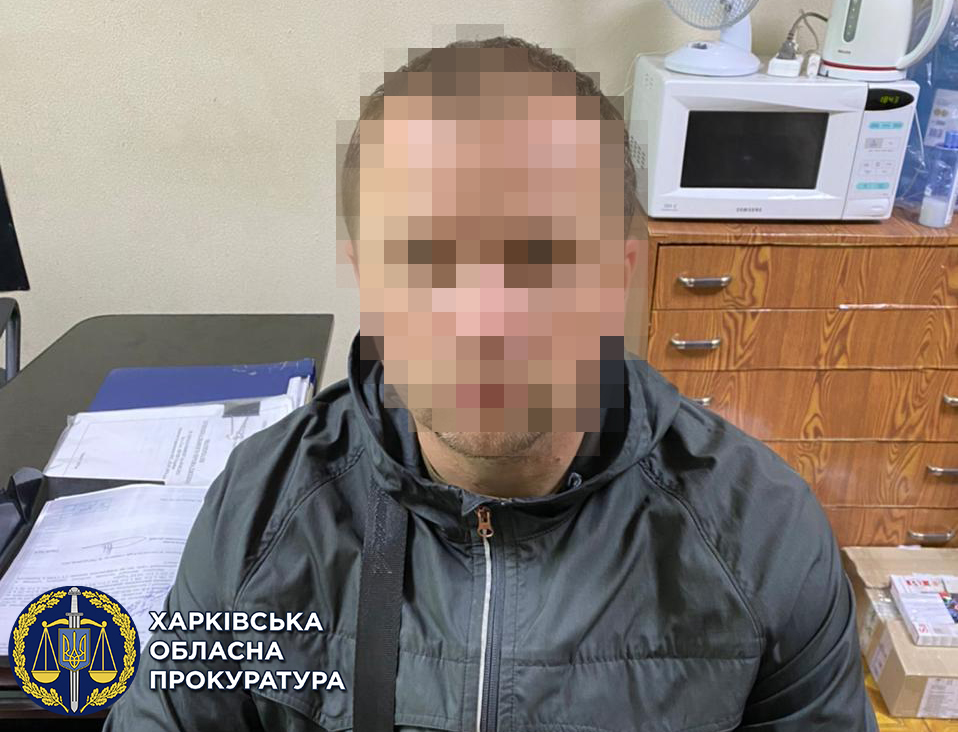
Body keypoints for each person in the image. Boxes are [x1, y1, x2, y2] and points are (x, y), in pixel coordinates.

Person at [105, 35, 879, 732]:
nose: (483, 318)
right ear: (366, 278)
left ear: (619, 275)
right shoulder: (259, 510)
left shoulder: (763, 538)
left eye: (540, 253)